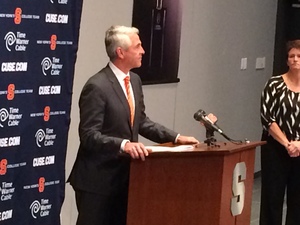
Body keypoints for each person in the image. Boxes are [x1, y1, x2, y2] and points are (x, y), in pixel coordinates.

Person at [68, 25, 215, 225]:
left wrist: (176, 137)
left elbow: (141, 122)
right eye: (138, 46)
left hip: (126, 178)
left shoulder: (134, 81)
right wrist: (123, 144)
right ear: (120, 52)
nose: (143, 51)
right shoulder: (97, 86)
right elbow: (88, 135)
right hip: (97, 182)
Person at [260, 39, 300, 225]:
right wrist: (287, 144)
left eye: (299, 56)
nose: (295, 59)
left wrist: (298, 144)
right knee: (272, 197)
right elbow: (267, 118)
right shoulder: (274, 84)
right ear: (286, 61)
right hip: (276, 149)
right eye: (291, 56)